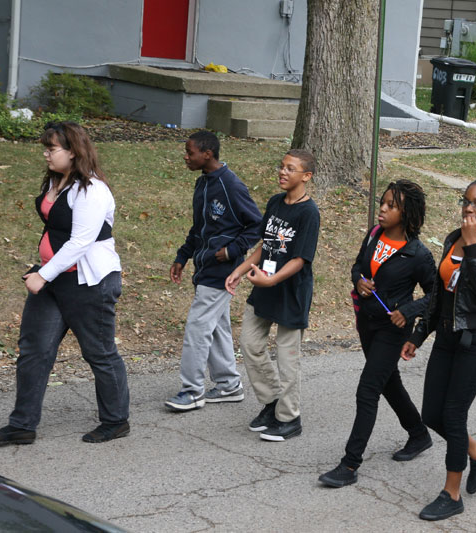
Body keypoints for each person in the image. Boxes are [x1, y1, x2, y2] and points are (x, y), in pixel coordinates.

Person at [0, 121, 130, 446]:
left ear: (73, 151)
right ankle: (22, 425)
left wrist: (42, 275)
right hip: (54, 278)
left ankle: (116, 420)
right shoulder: (56, 181)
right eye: (45, 148)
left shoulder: (93, 190)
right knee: (34, 351)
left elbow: (79, 242)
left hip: (90, 282)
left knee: (99, 353)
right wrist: (44, 271)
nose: (46, 154)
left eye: (52, 149)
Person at [400, 178, 476, 521]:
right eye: (466, 201)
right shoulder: (453, 238)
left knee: (452, 416)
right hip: (447, 339)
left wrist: (473, 247)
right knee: (432, 415)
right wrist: (418, 335)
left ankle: (451, 494)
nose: (469, 208)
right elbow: (440, 294)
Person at [318, 180, 436, 488]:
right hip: (366, 322)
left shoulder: (417, 254)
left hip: (392, 329)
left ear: (407, 212)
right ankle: (419, 435)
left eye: (391, 206)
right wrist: (359, 280)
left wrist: (408, 311)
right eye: (382, 203)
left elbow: (436, 294)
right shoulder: (374, 235)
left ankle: (350, 464)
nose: (382, 209)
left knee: (368, 390)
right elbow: (358, 266)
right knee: (388, 382)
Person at [226, 149, 320, 442]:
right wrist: (241, 270)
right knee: (250, 343)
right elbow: (264, 247)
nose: (282, 172)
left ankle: (290, 418)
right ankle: (272, 402)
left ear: (306, 176)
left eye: (290, 169)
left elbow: (300, 259)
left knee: (287, 356)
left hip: (290, 291)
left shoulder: (309, 213)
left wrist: (272, 280)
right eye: (281, 167)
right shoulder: (275, 203)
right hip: (265, 287)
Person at [165, 131, 262, 411]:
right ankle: (229, 384)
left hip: (222, 271)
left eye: (190, 152)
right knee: (217, 327)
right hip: (204, 266)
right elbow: (199, 228)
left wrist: (232, 251)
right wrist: (183, 256)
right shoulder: (203, 184)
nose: (186, 156)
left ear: (207, 154)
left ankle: (192, 390)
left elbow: (256, 224)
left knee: (197, 327)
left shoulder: (231, 186)